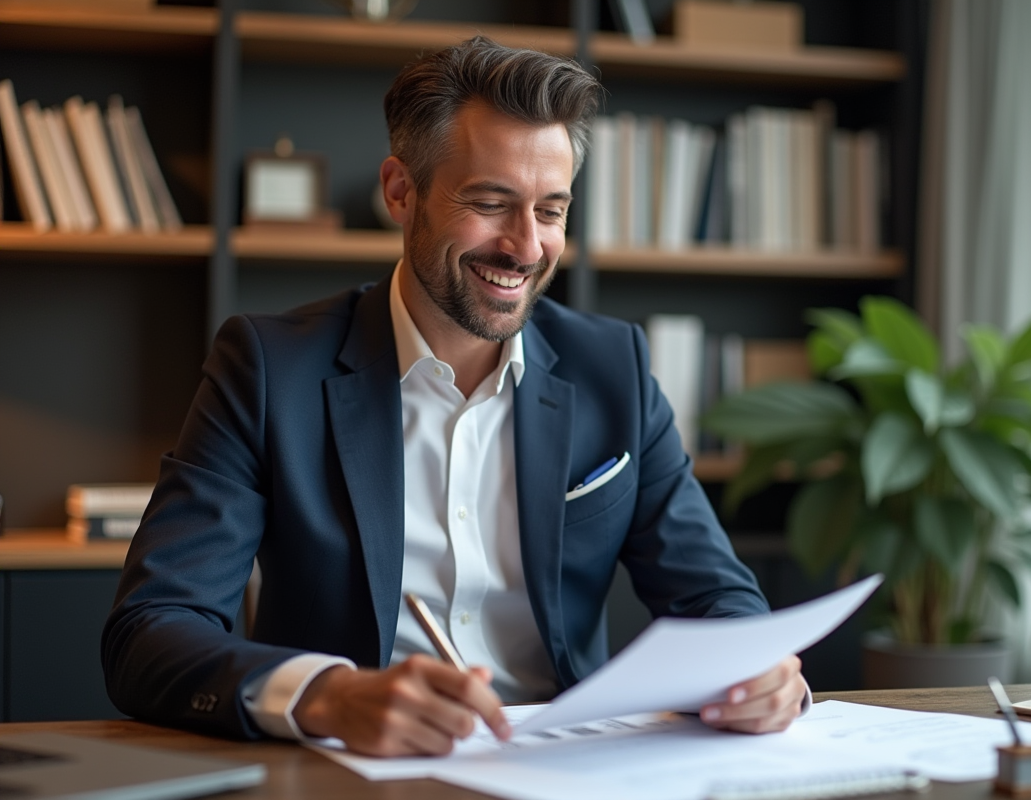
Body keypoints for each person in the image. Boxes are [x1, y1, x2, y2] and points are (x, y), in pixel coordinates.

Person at [102, 36, 808, 758]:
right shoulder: (268, 367)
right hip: (356, 772)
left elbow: (717, 597)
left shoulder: (614, 367)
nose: (526, 247)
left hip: (566, 772)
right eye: (491, 203)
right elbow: (151, 631)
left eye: (552, 211)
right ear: (400, 191)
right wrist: (329, 694)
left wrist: (761, 671)